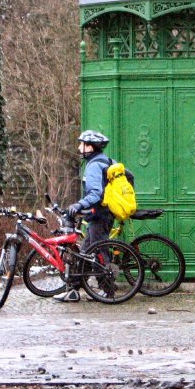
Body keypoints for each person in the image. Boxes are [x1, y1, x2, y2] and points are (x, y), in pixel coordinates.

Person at [55, 129, 134, 303]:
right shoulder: (108, 161)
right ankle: (74, 290)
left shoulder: (93, 166)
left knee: (98, 252)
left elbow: (95, 193)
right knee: (85, 251)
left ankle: (108, 290)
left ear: (90, 147)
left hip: (99, 215)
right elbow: (130, 176)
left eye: (81, 144)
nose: (78, 147)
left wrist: (78, 205)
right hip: (105, 214)